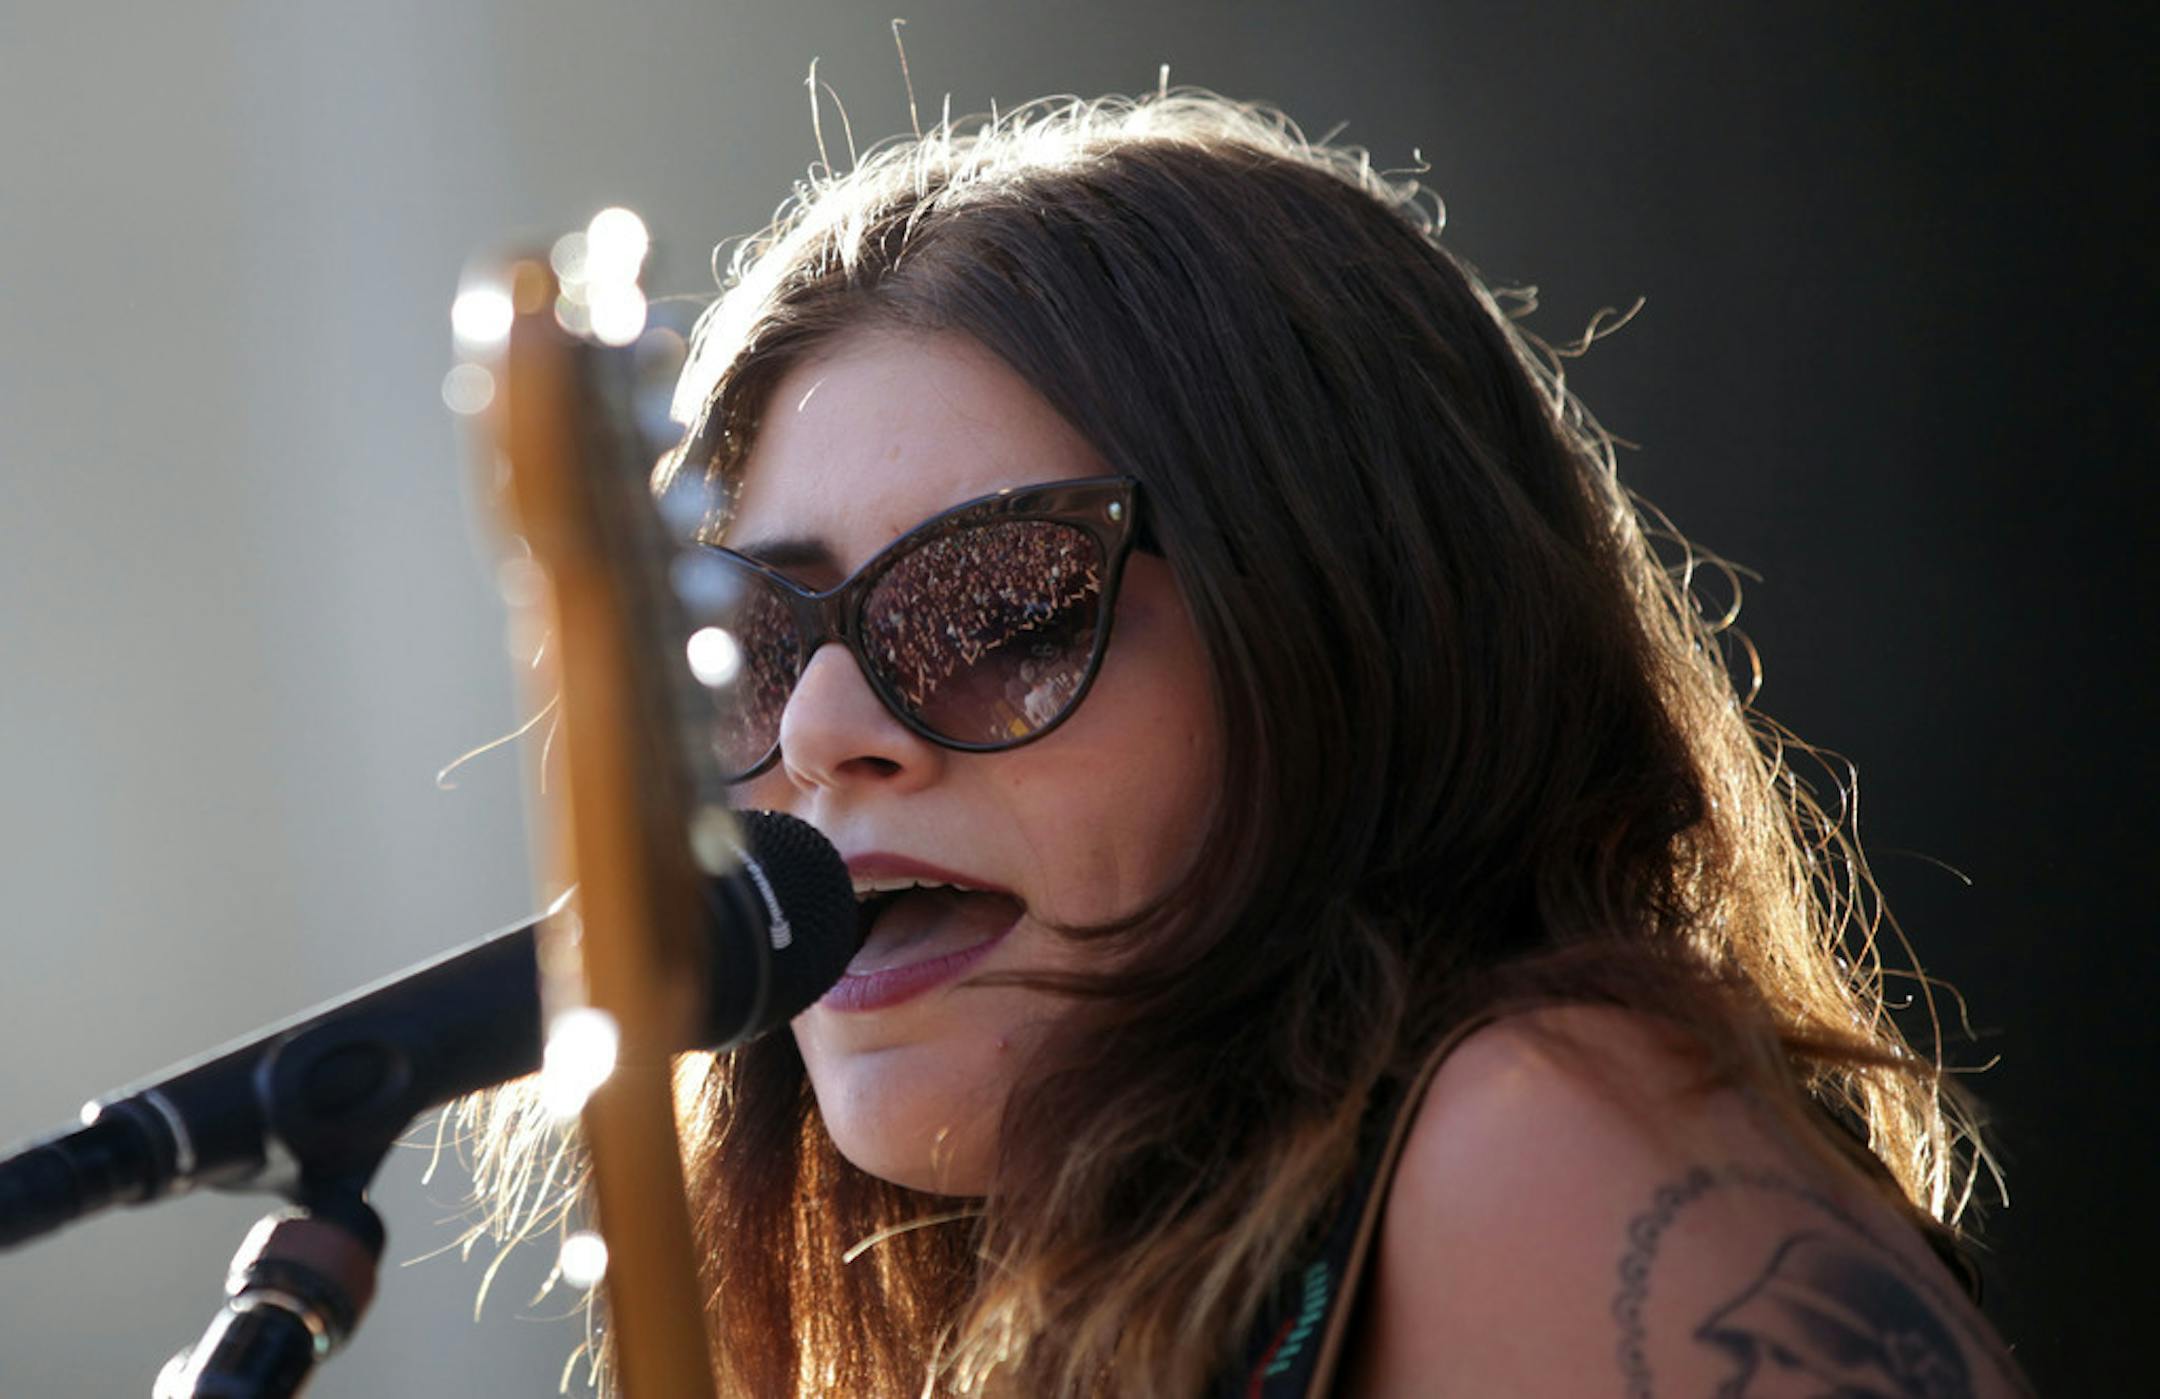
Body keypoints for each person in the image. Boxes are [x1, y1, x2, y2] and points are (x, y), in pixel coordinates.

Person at [466, 90, 2031, 1397]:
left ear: (1344, 628)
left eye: (1002, 613)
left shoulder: (1533, 1133)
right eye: (754, 640)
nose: (818, 733)